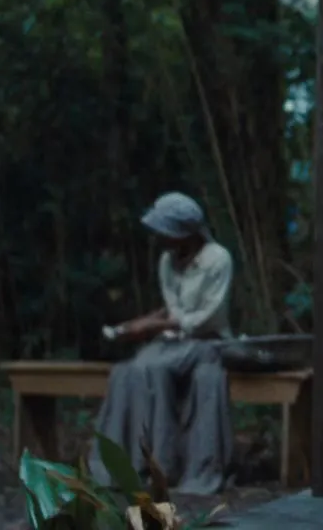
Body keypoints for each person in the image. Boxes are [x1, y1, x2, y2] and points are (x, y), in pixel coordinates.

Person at [90, 191, 238, 495]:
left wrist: (156, 325)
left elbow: (207, 317)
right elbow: (173, 308)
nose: (160, 239)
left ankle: (164, 463)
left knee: (152, 368)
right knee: (126, 372)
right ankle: (122, 465)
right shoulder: (167, 261)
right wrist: (141, 324)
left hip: (207, 343)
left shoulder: (217, 259)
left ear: (184, 232)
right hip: (173, 342)